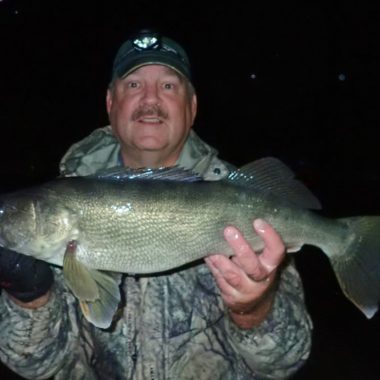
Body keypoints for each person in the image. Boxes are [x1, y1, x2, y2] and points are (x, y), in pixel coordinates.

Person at [0, 30, 312, 379]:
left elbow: (286, 361)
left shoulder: (243, 200)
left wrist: (254, 307)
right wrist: (30, 298)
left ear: (192, 107)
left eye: (168, 86)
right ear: (110, 103)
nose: (150, 99)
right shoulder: (63, 197)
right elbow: (35, 364)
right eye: (133, 85)